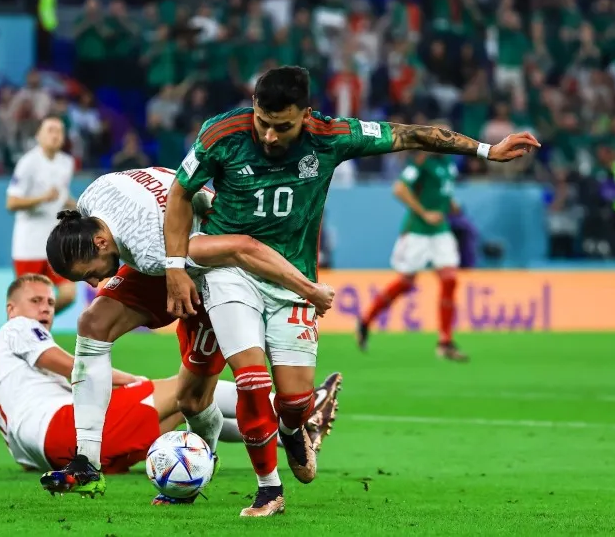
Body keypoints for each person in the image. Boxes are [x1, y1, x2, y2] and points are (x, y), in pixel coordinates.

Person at [163, 66, 540, 516]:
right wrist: (174, 267)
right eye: (262, 121)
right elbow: (180, 194)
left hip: (293, 278)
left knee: (293, 401)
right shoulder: (222, 132)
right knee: (249, 378)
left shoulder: (332, 135)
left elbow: (410, 135)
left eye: (282, 126)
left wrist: (485, 149)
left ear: (306, 114)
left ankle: (294, 425)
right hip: (229, 270)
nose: (268, 135)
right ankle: (268, 490)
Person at [39, 166, 338, 502]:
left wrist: (308, 288)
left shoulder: (151, 246)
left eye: (90, 274)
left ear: (100, 241)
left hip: (215, 271)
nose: (95, 284)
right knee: (93, 323)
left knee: (192, 401)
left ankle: (283, 428)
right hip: (171, 259)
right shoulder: (92, 198)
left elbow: (243, 247)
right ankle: (86, 464)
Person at [0, 274, 340, 480]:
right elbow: (74, 367)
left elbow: (22, 453)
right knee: (189, 389)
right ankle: (303, 411)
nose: (45, 309)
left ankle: (285, 438)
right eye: (36, 301)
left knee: (183, 411)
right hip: (60, 430)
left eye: (50, 303)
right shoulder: (17, 328)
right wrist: (133, 381)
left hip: (51, 452)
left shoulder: (16, 377)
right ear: (11, 310)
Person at [357, 123, 468, 360]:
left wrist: (451, 206)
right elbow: (399, 189)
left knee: (449, 280)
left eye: (449, 136)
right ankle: (366, 321)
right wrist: (424, 212)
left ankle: (445, 342)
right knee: (406, 283)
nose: (446, 140)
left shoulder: (449, 164)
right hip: (417, 231)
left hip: (440, 231)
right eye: (442, 136)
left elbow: (441, 193)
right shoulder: (420, 162)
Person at [6, 115, 76, 314]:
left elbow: (61, 197)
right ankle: (21, 332)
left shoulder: (66, 163)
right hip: (29, 245)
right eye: (50, 130)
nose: (55, 135)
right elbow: (11, 202)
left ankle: (36, 325)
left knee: (69, 294)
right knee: (28, 302)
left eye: (59, 131)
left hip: (55, 244)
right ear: (39, 135)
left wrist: (80, 207)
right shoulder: (28, 163)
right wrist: (41, 198)